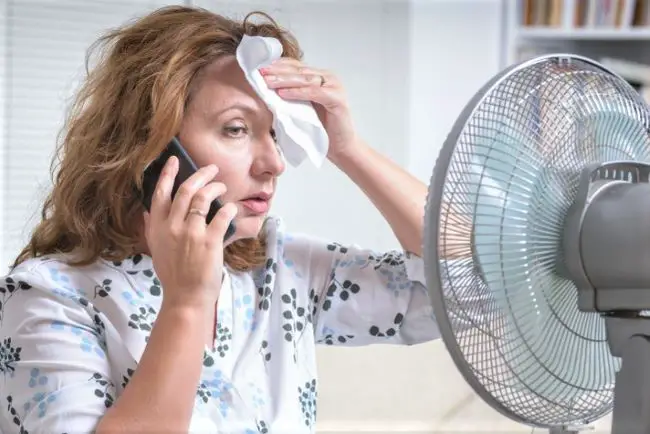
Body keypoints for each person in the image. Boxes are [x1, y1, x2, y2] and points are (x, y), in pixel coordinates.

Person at [0, 5, 444, 433]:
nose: (274, 162)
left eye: (275, 132)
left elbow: (468, 290)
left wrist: (347, 148)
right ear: (150, 150)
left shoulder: (279, 271)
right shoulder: (48, 298)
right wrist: (187, 303)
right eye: (236, 129)